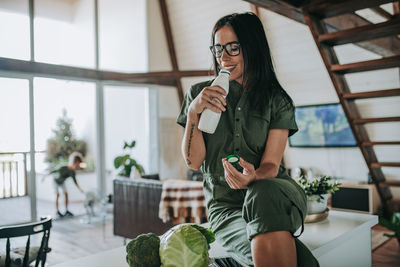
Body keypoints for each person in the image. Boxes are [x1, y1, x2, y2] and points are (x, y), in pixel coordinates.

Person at [177, 12, 319, 267]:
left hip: (275, 194)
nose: (223, 57)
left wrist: (253, 177)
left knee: (261, 190)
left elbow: (271, 166)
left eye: (233, 48)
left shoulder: (277, 100)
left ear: (252, 48)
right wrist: (193, 112)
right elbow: (193, 162)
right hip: (227, 208)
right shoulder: (199, 94)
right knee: (304, 263)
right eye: (218, 48)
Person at [51, 152, 84, 218]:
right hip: (56, 181)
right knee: (58, 195)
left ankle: (66, 210)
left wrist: (80, 189)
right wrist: (44, 176)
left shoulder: (72, 172)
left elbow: (75, 181)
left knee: (66, 194)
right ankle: (57, 211)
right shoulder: (63, 168)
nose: (77, 166)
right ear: (74, 162)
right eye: (76, 164)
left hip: (62, 182)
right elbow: (53, 171)